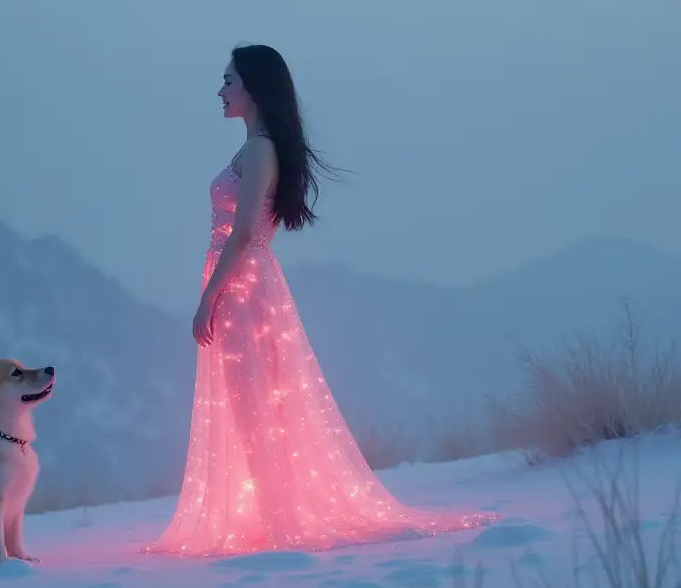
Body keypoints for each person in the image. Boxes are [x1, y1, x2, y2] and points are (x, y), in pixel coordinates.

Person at [144, 44, 496, 557]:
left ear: (254, 88)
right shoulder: (253, 148)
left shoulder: (262, 149)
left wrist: (207, 299)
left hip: (242, 284)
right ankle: (273, 516)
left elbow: (242, 233)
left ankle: (280, 523)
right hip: (242, 281)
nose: (219, 91)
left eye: (227, 80)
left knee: (256, 403)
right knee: (250, 403)